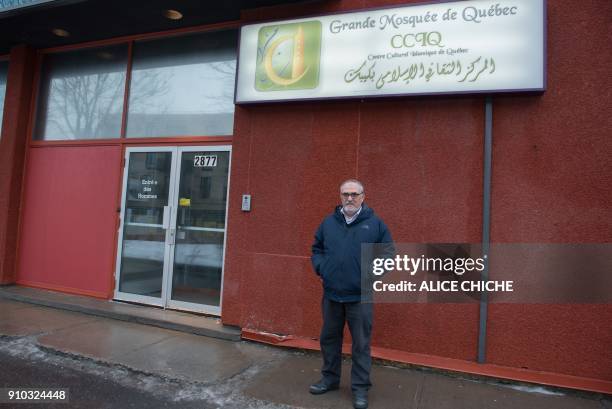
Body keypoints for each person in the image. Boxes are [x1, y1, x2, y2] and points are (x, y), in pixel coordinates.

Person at [310, 179, 394, 409]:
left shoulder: (375, 224)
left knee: (361, 345)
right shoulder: (328, 223)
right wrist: (321, 267)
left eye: (354, 194)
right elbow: (316, 249)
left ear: (363, 196)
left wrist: (371, 275)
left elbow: (388, 253)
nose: (349, 198)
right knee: (329, 340)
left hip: (359, 297)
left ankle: (360, 389)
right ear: (340, 196)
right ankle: (329, 379)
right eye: (345, 194)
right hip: (332, 295)